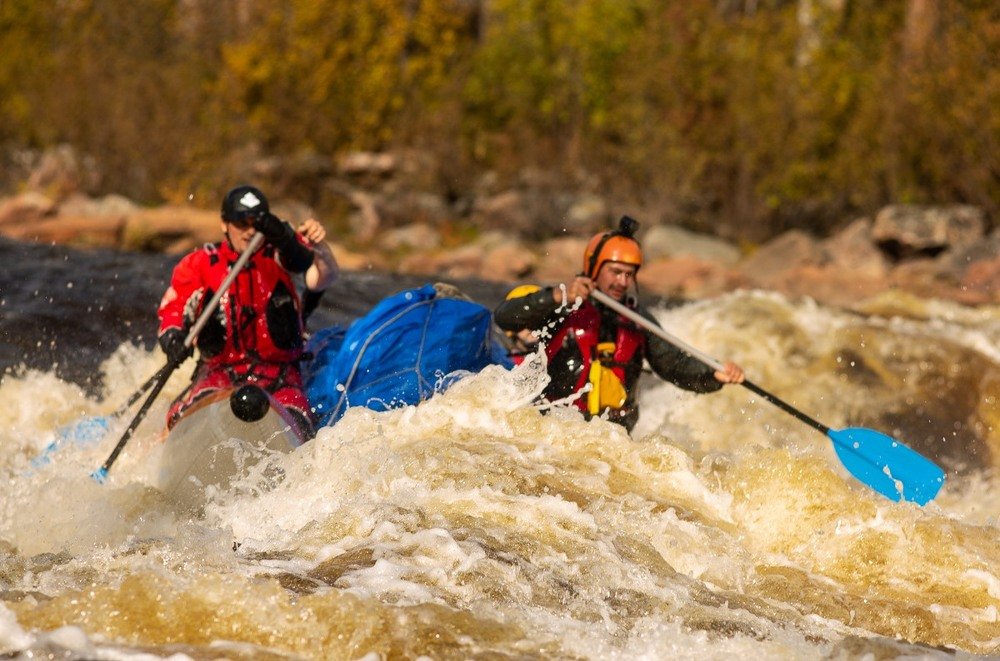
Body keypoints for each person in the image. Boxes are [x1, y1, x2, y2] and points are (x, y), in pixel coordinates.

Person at [494, 215, 744, 431]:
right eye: (615, 272)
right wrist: (559, 296)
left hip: (612, 440)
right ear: (594, 268)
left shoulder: (637, 319)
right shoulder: (562, 307)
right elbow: (506, 317)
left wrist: (713, 374)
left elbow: (673, 364)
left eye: (629, 274)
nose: (623, 282)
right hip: (553, 431)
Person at [157, 185, 320, 440]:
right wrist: (173, 338)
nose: (250, 231)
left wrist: (284, 234)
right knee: (178, 418)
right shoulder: (199, 264)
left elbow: (306, 261)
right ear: (225, 224)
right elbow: (174, 309)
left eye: (257, 224)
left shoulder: (283, 254)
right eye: (241, 224)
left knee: (303, 424)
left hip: (281, 377)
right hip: (219, 374)